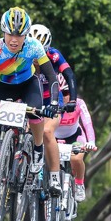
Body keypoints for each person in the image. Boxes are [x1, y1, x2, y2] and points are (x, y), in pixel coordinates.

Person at [0, 7, 63, 194]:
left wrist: (54, 103)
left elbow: (51, 77)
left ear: (27, 34)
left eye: (20, 35)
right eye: (10, 34)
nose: (14, 40)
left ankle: (38, 148)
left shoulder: (34, 46)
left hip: (28, 85)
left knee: (35, 113)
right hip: (3, 86)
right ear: (3, 32)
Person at [28, 23, 79, 188]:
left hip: (52, 101)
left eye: (39, 55)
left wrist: (72, 100)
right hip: (29, 98)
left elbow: (69, 75)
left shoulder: (54, 56)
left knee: (48, 131)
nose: (36, 60)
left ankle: (55, 177)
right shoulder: (21, 55)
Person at [53, 74, 97, 202]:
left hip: (75, 136)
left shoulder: (79, 103)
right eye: (59, 94)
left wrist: (91, 141)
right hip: (53, 138)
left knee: (76, 159)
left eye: (66, 93)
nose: (63, 97)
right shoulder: (50, 103)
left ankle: (79, 184)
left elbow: (88, 123)